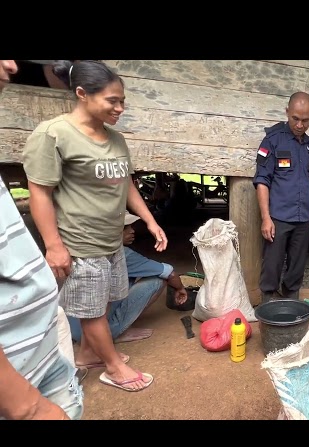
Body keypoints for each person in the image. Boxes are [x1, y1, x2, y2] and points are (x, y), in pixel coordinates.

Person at [23, 60, 166, 392]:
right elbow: (39, 193)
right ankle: (113, 367)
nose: (120, 108)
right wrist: (54, 246)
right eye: (112, 101)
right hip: (79, 242)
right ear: (82, 94)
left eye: (122, 101)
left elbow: (126, 184)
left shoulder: (114, 138)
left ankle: (89, 353)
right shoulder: (54, 134)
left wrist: (150, 220)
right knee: (91, 311)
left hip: (110, 241)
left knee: (104, 301)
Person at [0, 59, 83, 420]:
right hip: (16, 385)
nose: (13, 65)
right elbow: (41, 190)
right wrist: (27, 404)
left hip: (42, 347)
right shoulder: (52, 134)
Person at [67, 211, 188, 349]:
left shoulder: (83, 247)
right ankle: (116, 330)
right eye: (125, 227)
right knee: (158, 280)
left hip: (71, 327)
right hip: (95, 335)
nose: (132, 231)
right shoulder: (121, 254)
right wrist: (180, 289)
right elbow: (170, 273)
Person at [253, 91, 309, 302]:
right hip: (279, 217)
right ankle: (268, 298)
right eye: (295, 118)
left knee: (297, 263)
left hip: (303, 218)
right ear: (287, 112)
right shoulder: (272, 141)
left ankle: (291, 296)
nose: (300, 125)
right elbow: (262, 181)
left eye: (305, 120)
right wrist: (266, 218)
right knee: (272, 262)